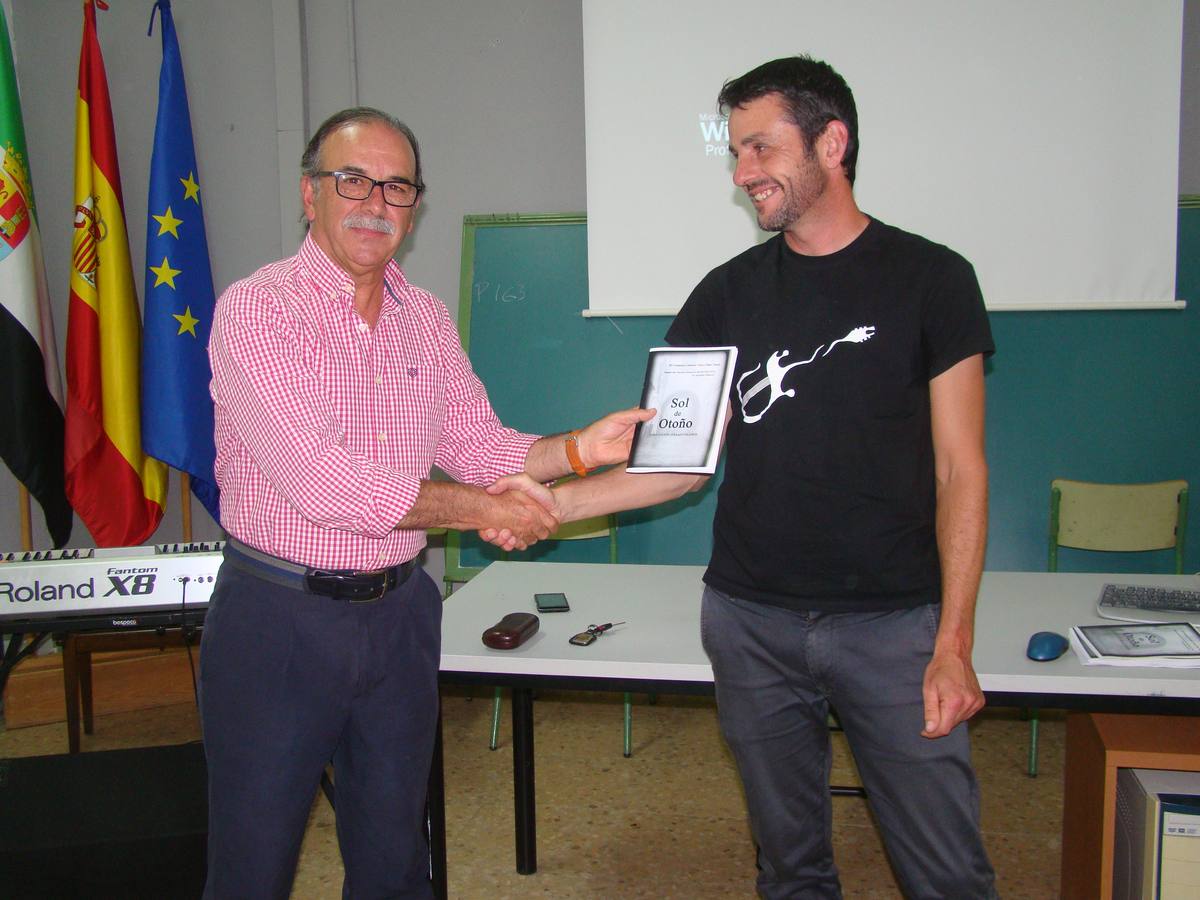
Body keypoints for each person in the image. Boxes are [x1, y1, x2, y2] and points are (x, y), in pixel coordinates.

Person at [503, 56, 998, 897]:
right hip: (750, 625)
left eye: (761, 149)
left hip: (892, 628)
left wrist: (952, 643)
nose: (743, 175)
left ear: (831, 142)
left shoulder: (933, 280)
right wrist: (539, 505)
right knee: (789, 869)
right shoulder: (724, 295)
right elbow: (672, 470)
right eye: (735, 153)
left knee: (948, 874)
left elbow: (962, 470)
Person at [202, 106, 650, 899]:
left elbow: (481, 446)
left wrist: (581, 448)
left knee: (396, 858)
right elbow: (324, 484)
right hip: (280, 624)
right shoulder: (259, 310)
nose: (376, 201)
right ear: (311, 195)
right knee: (253, 865)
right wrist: (487, 510)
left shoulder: (427, 319)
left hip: (402, 617)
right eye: (354, 181)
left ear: (414, 207)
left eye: (398, 186)